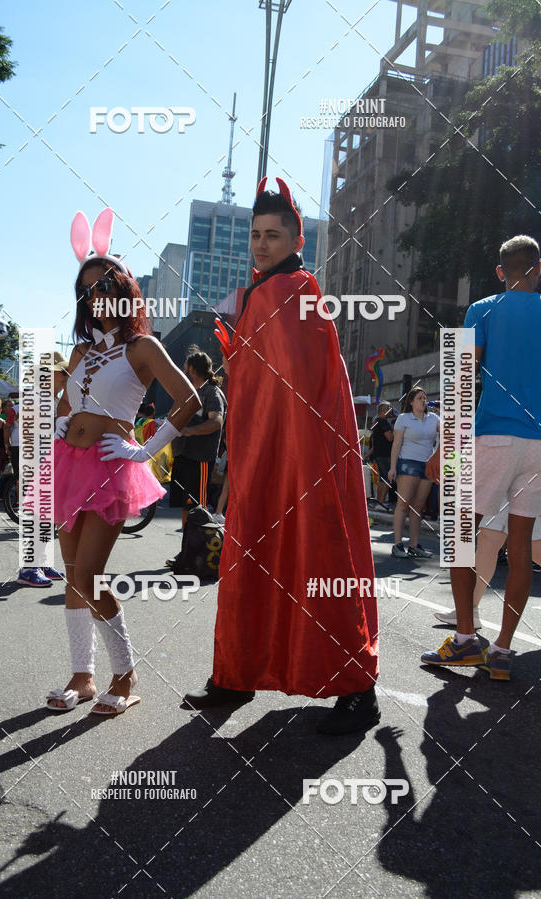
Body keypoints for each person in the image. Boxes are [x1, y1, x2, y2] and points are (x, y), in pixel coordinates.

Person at [182, 177, 380, 735]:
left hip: (301, 458)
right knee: (251, 561)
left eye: (273, 234)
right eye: (255, 235)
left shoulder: (296, 289)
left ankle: (358, 689)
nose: (262, 244)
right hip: (262, 455)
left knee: (320, 561)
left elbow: (306, 387)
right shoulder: (262, 292)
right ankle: (236, 673)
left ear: (297, 238)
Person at [45, 207, 200, 713]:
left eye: (104, 286)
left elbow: (189, 400)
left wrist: (145, 450)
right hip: (70, 465)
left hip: (112, 468)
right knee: (73, 575)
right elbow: (68, 408)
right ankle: (81, 677)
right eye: (86, 292)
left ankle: (126, 676)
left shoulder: (143, 346)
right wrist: (60, 422)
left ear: (123, 289)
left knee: (89, 575)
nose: (95, 298)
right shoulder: (80, 354)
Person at [422, 235, 541, 681]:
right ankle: (502, 651)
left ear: (501, 270)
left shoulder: (482, 308)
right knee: (521, 548)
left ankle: (464, 641)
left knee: (460, 536)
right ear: (538, 268)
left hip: (492, 436)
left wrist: (443, 445)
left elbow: (459, 383)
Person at [434, 506, 541, 629]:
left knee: (534, 544)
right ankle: (469, 610)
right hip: (505, 488)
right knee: (490, 536)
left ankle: (469, 610)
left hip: (529, 488)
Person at [166, 348, 226, 567]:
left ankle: (195, 556)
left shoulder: (211, 392)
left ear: (194, 369)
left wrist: (189, 431)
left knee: (196, 508)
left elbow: (216, 422)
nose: (183, 370)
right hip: (184, 456)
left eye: (186, 367)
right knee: (186, 507)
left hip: (199, 459)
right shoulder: (191, 391)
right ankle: (185, 553)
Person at [17, 352, 68, 588]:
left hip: (46, 464)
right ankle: (29, 567)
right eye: (62, 373)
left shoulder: (49, 399)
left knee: (46, 516)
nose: (65, 378)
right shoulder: (38, 399)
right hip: (39, 465)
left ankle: (42, 561)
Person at [389, 388, 440, 559]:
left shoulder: (434, 418)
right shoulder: (404, 418)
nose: (423, 401)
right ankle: (397, 544)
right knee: (403, 504)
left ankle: (414, 545)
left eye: (425, 398)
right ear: (411, 402)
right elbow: (396, 444)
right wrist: (392, 467)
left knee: (418, 507)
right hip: (408, 463)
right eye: (419, 398)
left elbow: (450, 434)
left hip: (428, 465)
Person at [363, 401, 394, 510]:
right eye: (389, 408)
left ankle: (379, 502)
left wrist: (366, 456)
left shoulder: (376, 422)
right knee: (386, 478)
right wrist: (398, 431)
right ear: (384, 410)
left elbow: (375, 445)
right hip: (385, 454)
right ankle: (381, 502)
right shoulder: (383, 422)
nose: (391, 410)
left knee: (382, 478)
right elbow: (390, 437)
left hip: (378, 454)